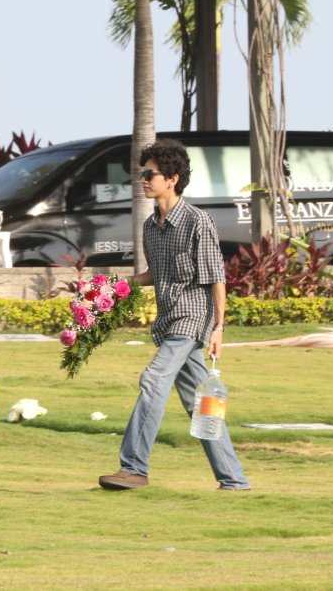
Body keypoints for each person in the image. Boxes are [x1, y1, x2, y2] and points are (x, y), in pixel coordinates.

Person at [98, 139, 250, 491]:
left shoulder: (198, 222)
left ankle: (134, 467)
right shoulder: (151, 226)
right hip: (168, 322)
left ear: (172, 178)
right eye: (142, 174)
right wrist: (120, 287)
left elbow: (216, 277)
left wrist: (218, 328)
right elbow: (156, 272)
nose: (143, 179)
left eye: (150, 174)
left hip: (191, 319)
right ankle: (234, 479)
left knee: (153, 380)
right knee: (202, 402)